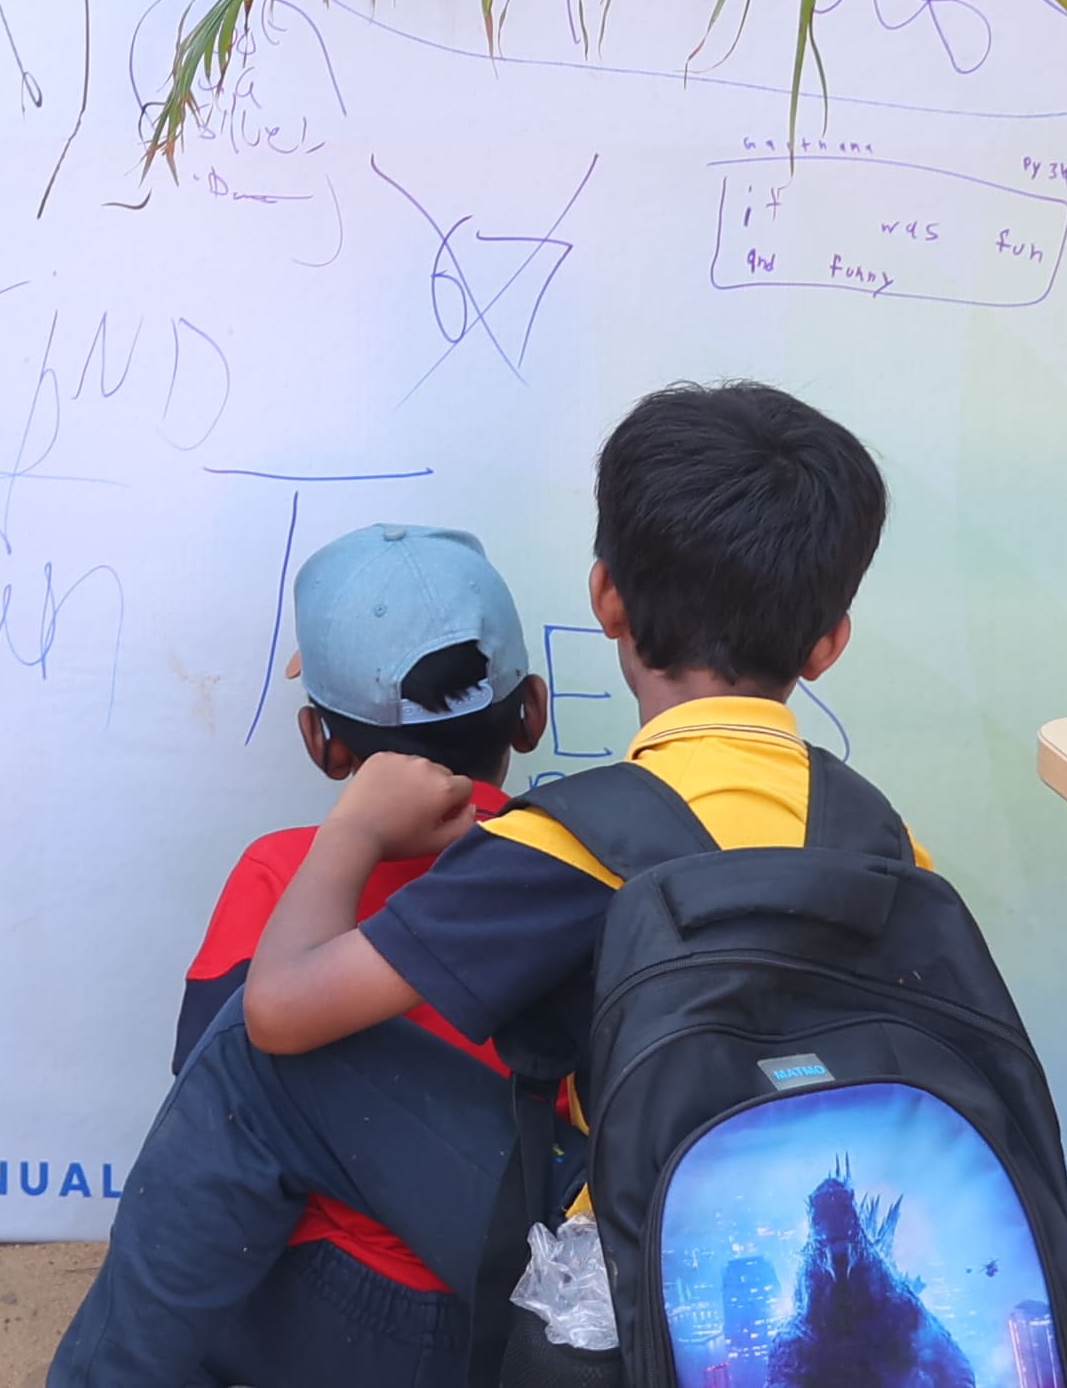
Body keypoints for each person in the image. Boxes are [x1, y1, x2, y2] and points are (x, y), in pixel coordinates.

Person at [43, 385, 896, 1388]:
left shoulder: (575, 840)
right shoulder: (885, 842)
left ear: (606, 598)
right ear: (830, 641)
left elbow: (273, 1017)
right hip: (784, 1254)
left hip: (623, 1269)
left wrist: (356, 827)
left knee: (250, 1057)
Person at [50, 527, 558, 1388]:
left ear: (322, 742)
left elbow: (207, 1112)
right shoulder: (568, 863)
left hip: (334, 1311)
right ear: (533, 710)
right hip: (519, 1301)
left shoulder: (281, 871)